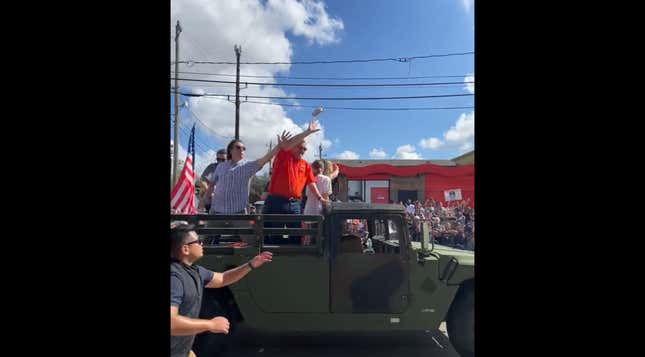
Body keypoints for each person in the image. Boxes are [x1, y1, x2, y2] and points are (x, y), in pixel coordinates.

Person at [170, 223, 273, 357]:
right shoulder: (174, 278)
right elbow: (172, 323)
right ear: (185, 249)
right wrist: (210, 324)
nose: (202, 244)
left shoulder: (195, 272)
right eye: (197, 241)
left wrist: (250, 265)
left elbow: (223, 278)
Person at [263, 119, 328, 244]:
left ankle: (294, 259)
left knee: (297, 236)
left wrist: (320, 198)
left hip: (294, 204)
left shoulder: (306, 165)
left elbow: (311, 183)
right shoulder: (284, 156)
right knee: (274, 237)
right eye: (300, 147)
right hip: (277, 201)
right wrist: (307, 132)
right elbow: (288, 144)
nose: (303, 151)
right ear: (292, 147)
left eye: (305, 149)